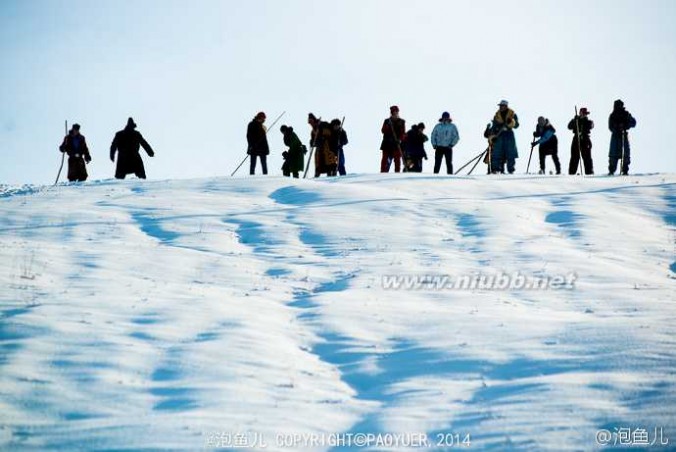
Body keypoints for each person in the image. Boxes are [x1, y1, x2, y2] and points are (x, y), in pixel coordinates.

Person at [486, 100, 519, 174]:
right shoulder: (496, 115)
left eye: (502, 105)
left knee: (510, 153)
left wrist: (512, 121)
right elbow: (494, 127)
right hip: (499, 136)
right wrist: (492, 137)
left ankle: (511, 170)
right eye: (500, 105)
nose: (500, 107)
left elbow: (517, 125)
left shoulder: (512, 114)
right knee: (496, 153)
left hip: (509, 135)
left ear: (506, 106)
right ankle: (496, 170)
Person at [608, 99, 637, 175]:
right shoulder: (612, 115)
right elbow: (610, 127)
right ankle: (611, 170)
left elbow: (633, 122)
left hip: (623, 135)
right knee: (613, 154)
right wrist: (617, 127)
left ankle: (625, 170)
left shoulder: (626, 114)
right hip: (615, 136)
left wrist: (626, 125)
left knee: (625, 153)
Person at [567, 107, 594, 175]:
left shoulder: (588, 121)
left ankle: (589, 173)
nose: (583, 115)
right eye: (582, 113)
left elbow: (591, 125)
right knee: (574, 157)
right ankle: (571, 173)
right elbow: (569, 126)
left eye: (585, 114)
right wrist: (574, 120)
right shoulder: (576, 120)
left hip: (585, 139)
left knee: (587, 157)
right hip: (576, 139)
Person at [380, 105, 406, 173]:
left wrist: (400, 139)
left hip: (396, 144)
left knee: (397, 161)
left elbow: (403, 133)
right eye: (393, 112)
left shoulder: (402, 121)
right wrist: (388, 126)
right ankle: (383, 173)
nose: (395, 114)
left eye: (396, 112)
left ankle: (397, 174)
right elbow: (383, 131)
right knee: (385, 160)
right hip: (387, 144)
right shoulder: (387, 121)